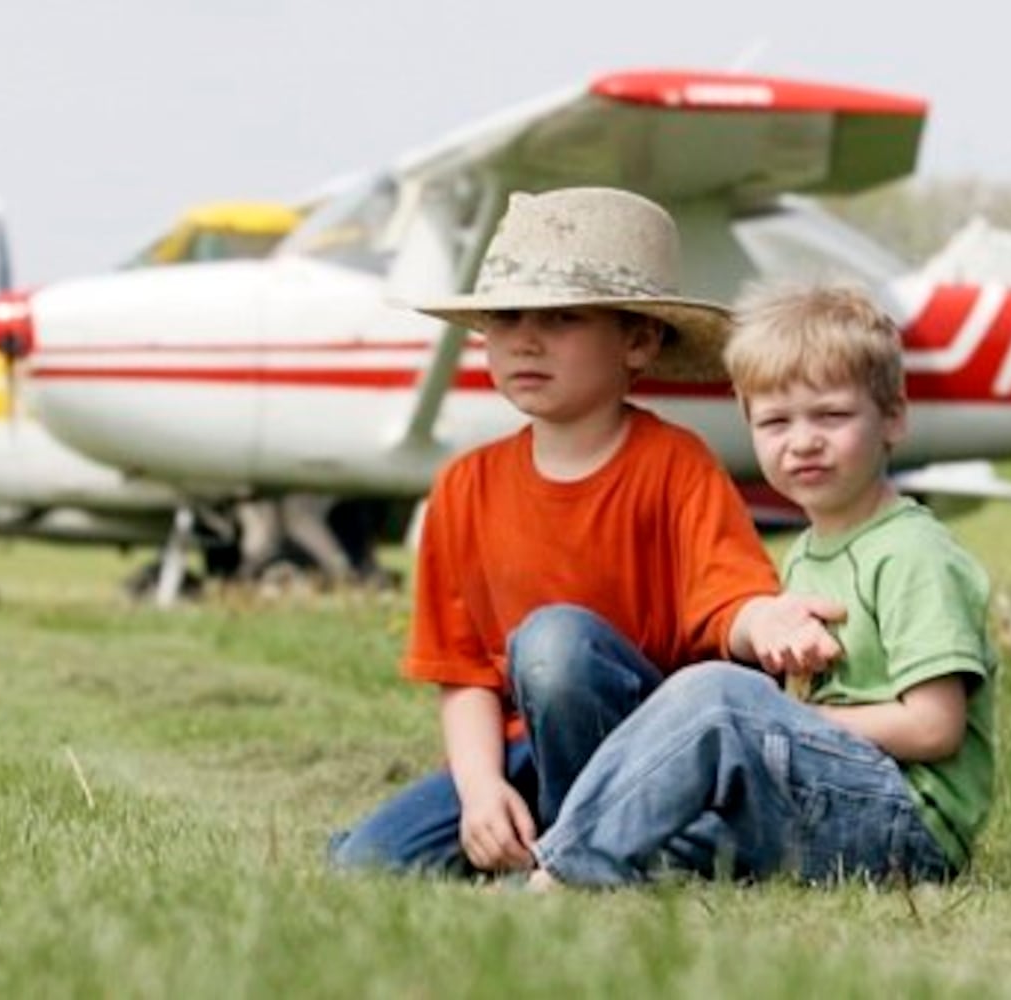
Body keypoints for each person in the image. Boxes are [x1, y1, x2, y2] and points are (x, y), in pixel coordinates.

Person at [328, 188, 843, 877]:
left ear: (638, 339)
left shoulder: (675, 465)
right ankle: (583, 842)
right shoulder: (463, 487)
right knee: (368, 862)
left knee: (553, 644)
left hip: (653, 748)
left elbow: (728, 602)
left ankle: (589, 855)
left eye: (562, 317)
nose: (526, 340)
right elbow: (464, 675)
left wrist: (770, 621)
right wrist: (481, 792)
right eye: (506, 318)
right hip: (526, 753)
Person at [527, 284, 998, 888]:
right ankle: (580, 856)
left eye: (831, 415)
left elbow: (935, 728)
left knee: (717, 695)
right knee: (668, 834)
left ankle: (560, 871)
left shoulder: (913, 553)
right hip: (825, 797)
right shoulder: (806, 554)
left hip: (907, 826)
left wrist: (780, 719)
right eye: (776, 421)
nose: (803, 440)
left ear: (894, 418)